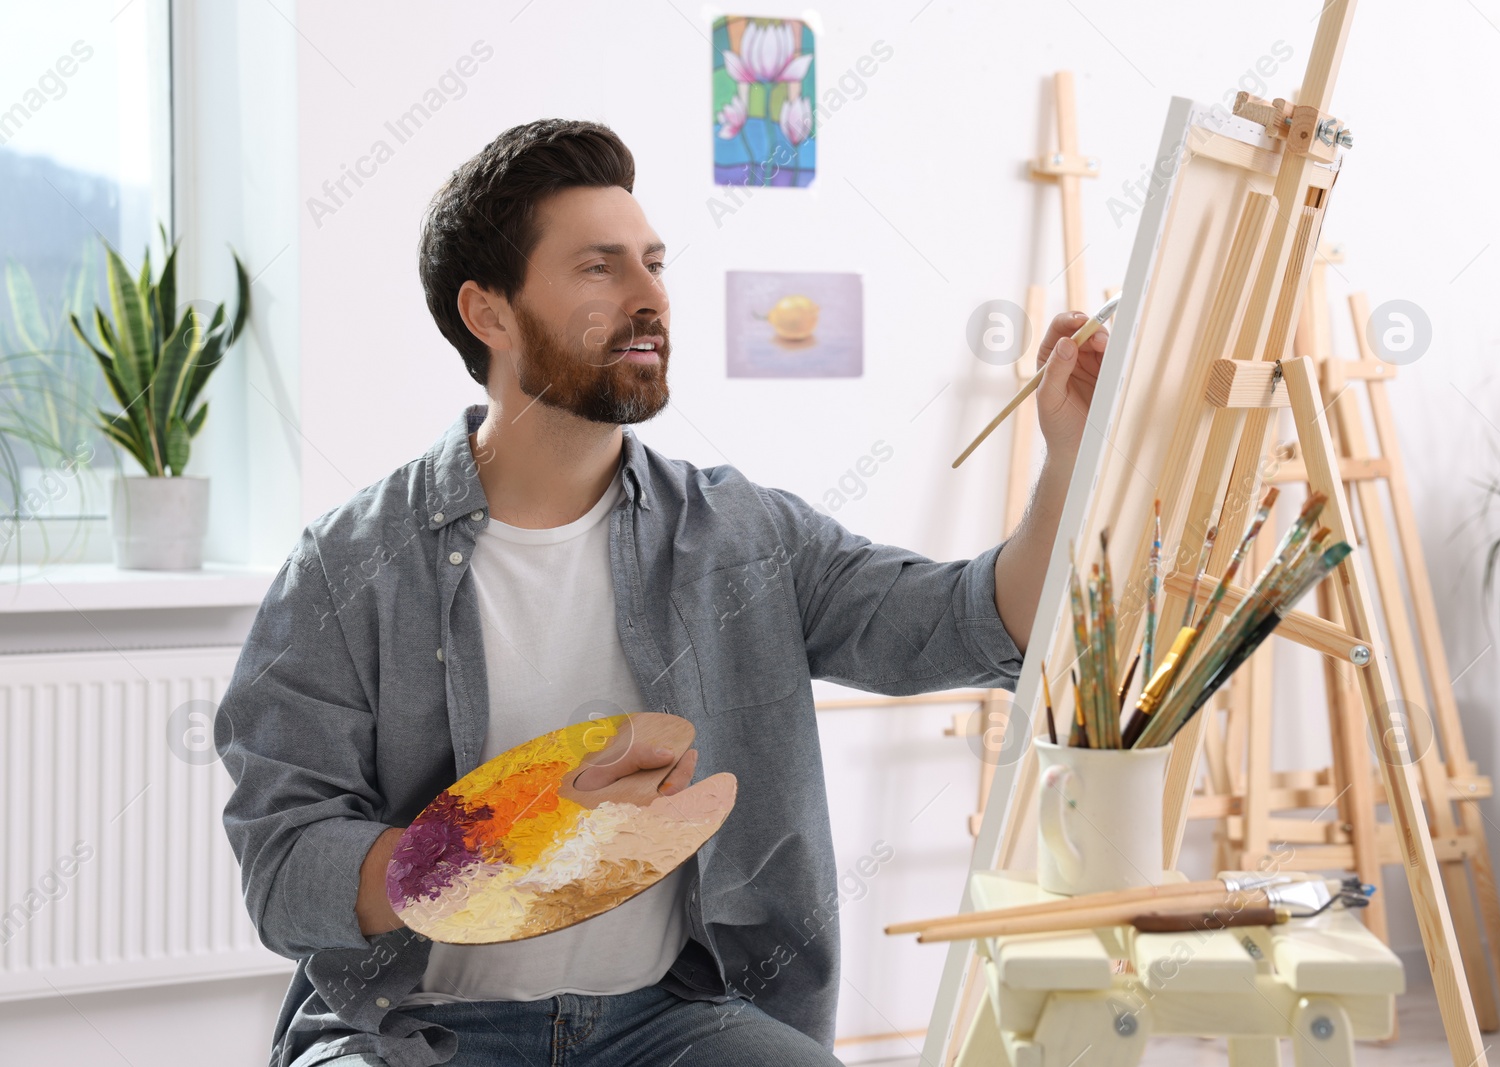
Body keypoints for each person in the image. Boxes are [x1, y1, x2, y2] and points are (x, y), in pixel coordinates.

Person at [218, 118, 1107, 1067]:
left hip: (665, 1020)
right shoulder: (347, 565)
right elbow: (284, 865)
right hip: (419, 1028)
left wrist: (1066, 460)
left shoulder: (741, 535)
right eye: (600, 269)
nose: (651, 298)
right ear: (491, 314)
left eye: (653, 263)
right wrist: (504, 843)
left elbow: (968, 622)